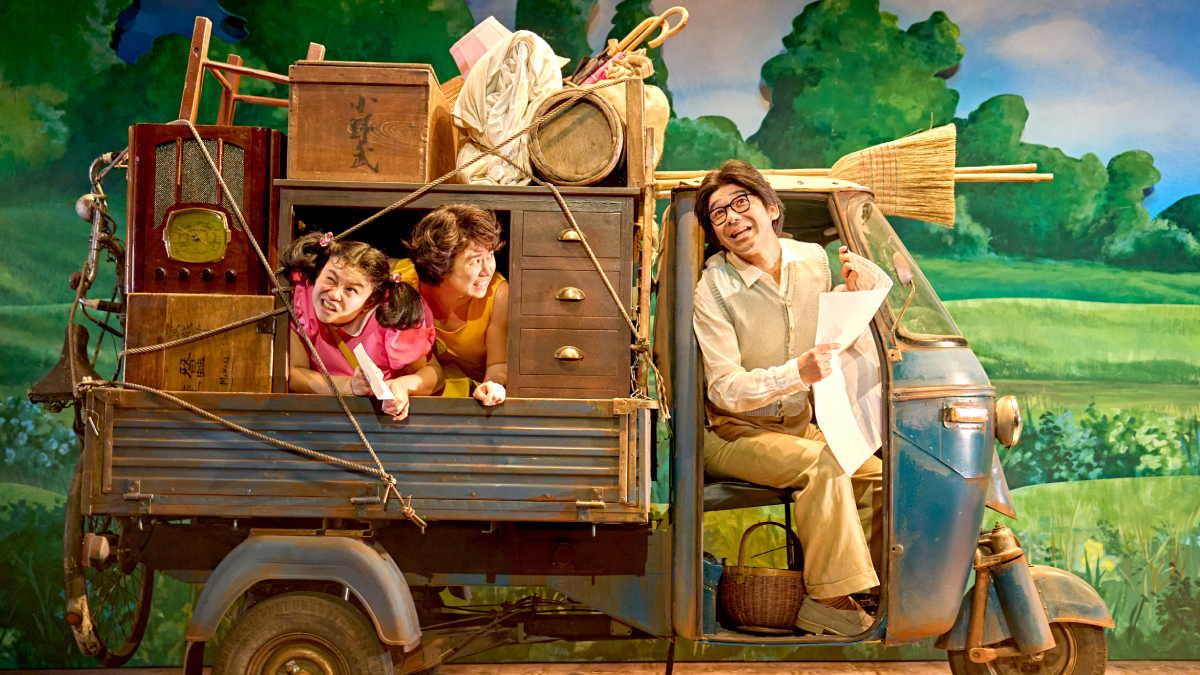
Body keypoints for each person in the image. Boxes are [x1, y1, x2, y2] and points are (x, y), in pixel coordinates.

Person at [692, 160, 885, 637]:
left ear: (771, 208)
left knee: (882, 477)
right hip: (733, 434)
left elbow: (835, 332)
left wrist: (852, 292)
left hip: (800, 427)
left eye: (741, 203)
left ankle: (872, 589)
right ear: (714, 233)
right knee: (826, 467)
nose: (733, 218)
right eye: (718, 214)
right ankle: (827, 602)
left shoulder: (815, 262)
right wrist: (795, 374)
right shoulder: (712, 289)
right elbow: (724, 387)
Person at [283, 231, 441, 421]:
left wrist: (402, 385)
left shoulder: (391, 318)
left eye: (350, 289)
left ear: (369, 302)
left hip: (377, 421)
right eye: (330, 279)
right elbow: (294, 375)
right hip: (320, 418)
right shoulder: (304, 302)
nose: (334, 294)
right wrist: (350, 385)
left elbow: (434, 373)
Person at [394, 205, 509, 406]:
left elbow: (499, 363)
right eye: (475, 261)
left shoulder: (499, 295)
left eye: (490, 255)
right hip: (407, 397)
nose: (487, 270)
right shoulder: (400, 281)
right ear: (440, 264)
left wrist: (492, 386)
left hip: (471, 403)